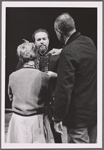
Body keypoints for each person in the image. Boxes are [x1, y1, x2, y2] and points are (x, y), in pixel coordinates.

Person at [49, 13, 97, 143]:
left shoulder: (68, 52)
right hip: (94, 112)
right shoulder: (89, 42)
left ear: (58, 32)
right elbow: (79, 54)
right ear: (73, 25)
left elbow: (64, 88)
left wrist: (58, 117)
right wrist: (63, 50)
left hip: (78, 118)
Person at [16, 29, 62, 143]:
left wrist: (55, 75)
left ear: (48, 40)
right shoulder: (27, 59)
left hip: (52, 103)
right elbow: (18, 77)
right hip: (33, 105)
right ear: (34, 42)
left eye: (44, 39)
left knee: (54, 135)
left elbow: (67, 77)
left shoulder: (57, 57)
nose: (41, 42)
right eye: (38, 39)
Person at [6, 40, 54, 143]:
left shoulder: (12, 76)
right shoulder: (44, 76)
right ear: (36, 55)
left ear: (20, 58)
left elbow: (11, 96)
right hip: (36, 120)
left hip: (17, 120)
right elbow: (48, 98)